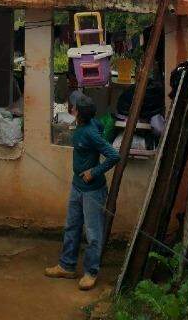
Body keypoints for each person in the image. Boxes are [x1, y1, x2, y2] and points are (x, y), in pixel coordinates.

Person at [45, 93, 120, 290]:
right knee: (72, 226)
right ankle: (67, 266)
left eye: (74, 107)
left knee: (93, 234)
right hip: (77, 186)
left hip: (92, 191)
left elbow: (114, 156)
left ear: (78, 113)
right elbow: (101, 127)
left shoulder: (89, 132)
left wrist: (93, 171)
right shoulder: (91, 123)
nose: (71, 108)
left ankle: (91, 272)